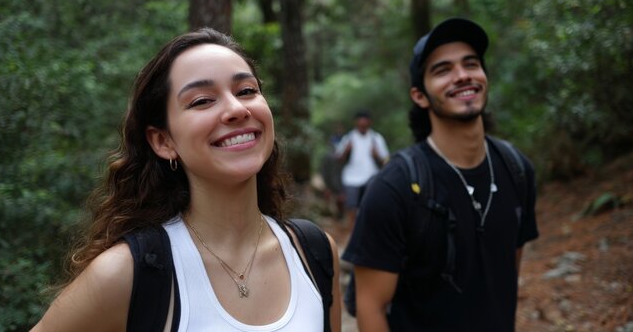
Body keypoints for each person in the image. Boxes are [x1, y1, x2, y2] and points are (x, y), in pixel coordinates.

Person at [33, 28, 341, 331]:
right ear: (163, 141)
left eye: (246, 91)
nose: (236, 109)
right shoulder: (129, 273)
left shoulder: (314, 253)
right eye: (202, 101)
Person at [341, 18, 539, 331]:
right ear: (419, 95)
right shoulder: (394, 188)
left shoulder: (517, 169)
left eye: (471, 64)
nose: (462, 76)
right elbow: (370, 308)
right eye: (443, 70)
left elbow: (505, 279)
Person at [334, 110, 389, 229]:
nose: (363, 125)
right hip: (351, 177)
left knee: (370, 204)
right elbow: (338, 158)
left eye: (365, 122)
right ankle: (353, 231)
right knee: (351, 206)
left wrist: (377, 155)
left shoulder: (376, 138)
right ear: (356, 122)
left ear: (369, 122)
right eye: (360, 122)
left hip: (371, 175)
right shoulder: (349, 138)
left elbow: (385, 160)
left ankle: (367, 229)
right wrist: (346, 151)